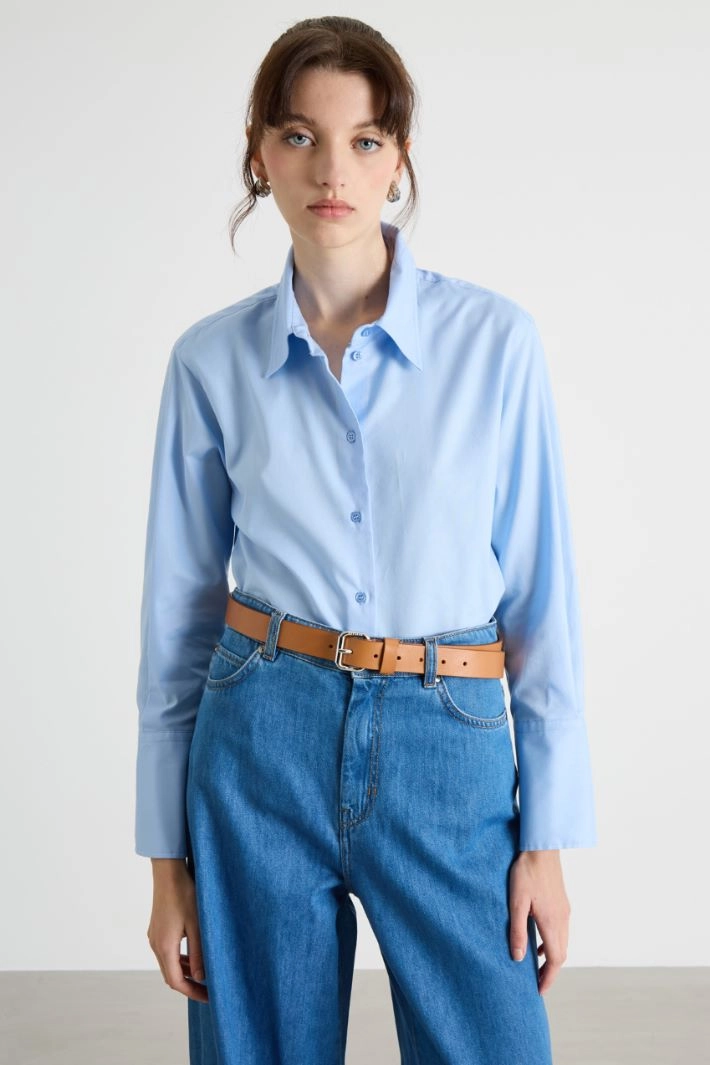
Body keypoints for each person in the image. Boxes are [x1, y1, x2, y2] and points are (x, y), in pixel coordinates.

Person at [136, 15, 597, 1065]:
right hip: (259, 734)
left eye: (364, 139)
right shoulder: (210, 362)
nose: (331, 170)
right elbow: (176, 622)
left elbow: (540, 600)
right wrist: (167, 864)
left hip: (448, 738)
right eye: (299, 136)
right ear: (259, 152)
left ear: (399, 160)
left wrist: (546, 840)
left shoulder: (494, 344)